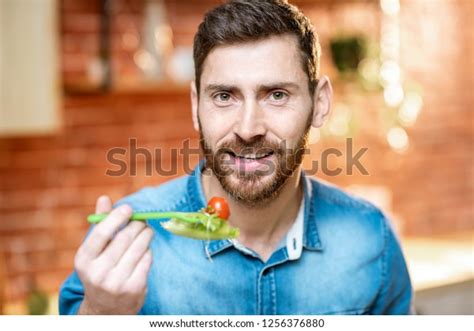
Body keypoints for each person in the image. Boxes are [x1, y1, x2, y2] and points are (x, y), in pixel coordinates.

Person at [59, 0, 413, 315]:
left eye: (276, 95)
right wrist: (102, 315)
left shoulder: (370, 237)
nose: (248, 129)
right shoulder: (124, 246)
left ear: (319, 103)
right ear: (196, 105)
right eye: (225, 96)